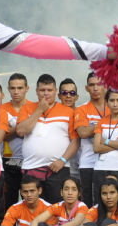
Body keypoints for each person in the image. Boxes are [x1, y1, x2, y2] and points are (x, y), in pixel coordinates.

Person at [16, 74, 78, 203]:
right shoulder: (26, 108)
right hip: (31, 168)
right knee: (32, 211)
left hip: (58, 169)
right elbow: (21, 131)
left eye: (49, 90)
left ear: (56, 92)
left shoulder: (68, 111)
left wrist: (62, 160)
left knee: (57, 209)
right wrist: (39, 110)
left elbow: (76, 140)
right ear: (36, 91)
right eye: (42, 90)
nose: (46, 94)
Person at [0, 73, 36, 210]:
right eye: (13, 88)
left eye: (20, 88)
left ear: (27, 89)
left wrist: (12, 128)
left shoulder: (35, 108)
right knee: (9, 203)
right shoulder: (1, 109)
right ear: (8, 89)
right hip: (8, 161)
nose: (16, 92)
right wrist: (21, 129)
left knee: (31, 203)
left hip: (31, 161)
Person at [71, 72, 107, 207]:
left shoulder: (114, 106)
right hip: (88, 163)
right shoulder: (81, 109)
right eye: (92, 85)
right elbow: (83, 133)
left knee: (108, 202)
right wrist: (107, 123)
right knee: (88, 204)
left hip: (111, 162)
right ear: (87, 88)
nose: (96, 88)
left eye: (99, 84)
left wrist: (95, 126)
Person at [92, 91, 118, 197]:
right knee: (100, 206)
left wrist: (106, 141)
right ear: (106, 102)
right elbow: (96, 148)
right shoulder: (101, 121)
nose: (115, 104)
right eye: (112, 100)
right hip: (101, 168)